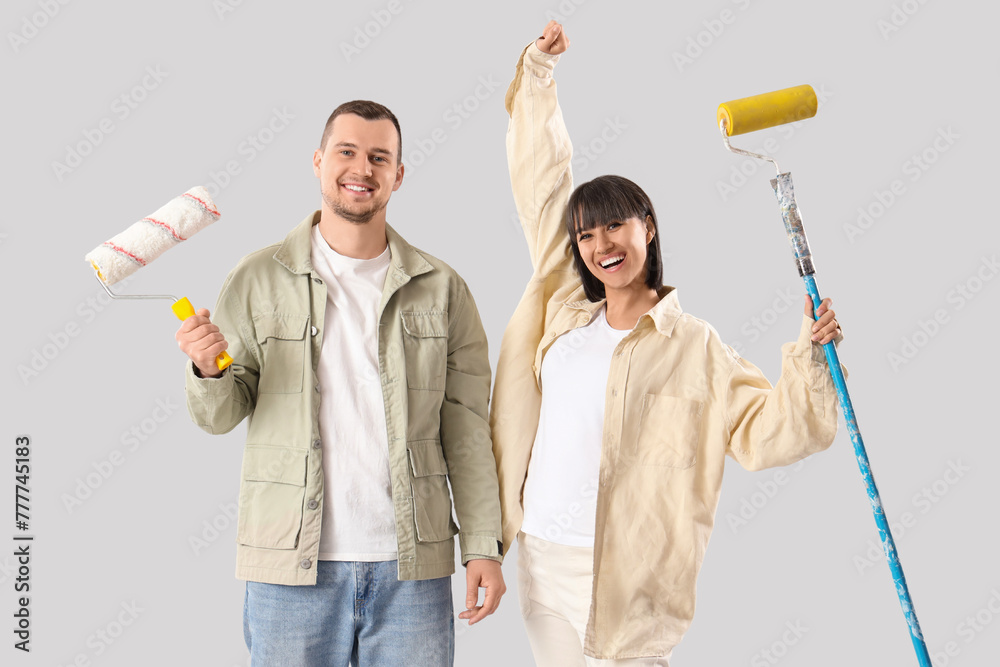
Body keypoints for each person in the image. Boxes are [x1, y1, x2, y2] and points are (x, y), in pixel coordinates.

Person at [490, 22, 843, 666]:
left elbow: (772, 435)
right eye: (587, 236)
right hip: (543, 554)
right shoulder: (565, 315)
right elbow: (541, 186)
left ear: (647, 228)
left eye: (616, 226)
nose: (603, 247)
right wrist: (537, 74)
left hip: (633, 575)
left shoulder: (695, 345)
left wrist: (811, 353)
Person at [176, 100, 505, 667]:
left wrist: (483, 545)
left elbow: (468, 429)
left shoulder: (442, 288)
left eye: (380, 157)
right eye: (347, 151)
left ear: (398, 175)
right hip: (290, 569)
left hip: (413, 570)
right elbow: (220, 415)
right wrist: (209, 370)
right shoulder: (257, 277)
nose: (362, 168)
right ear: (318, 160)